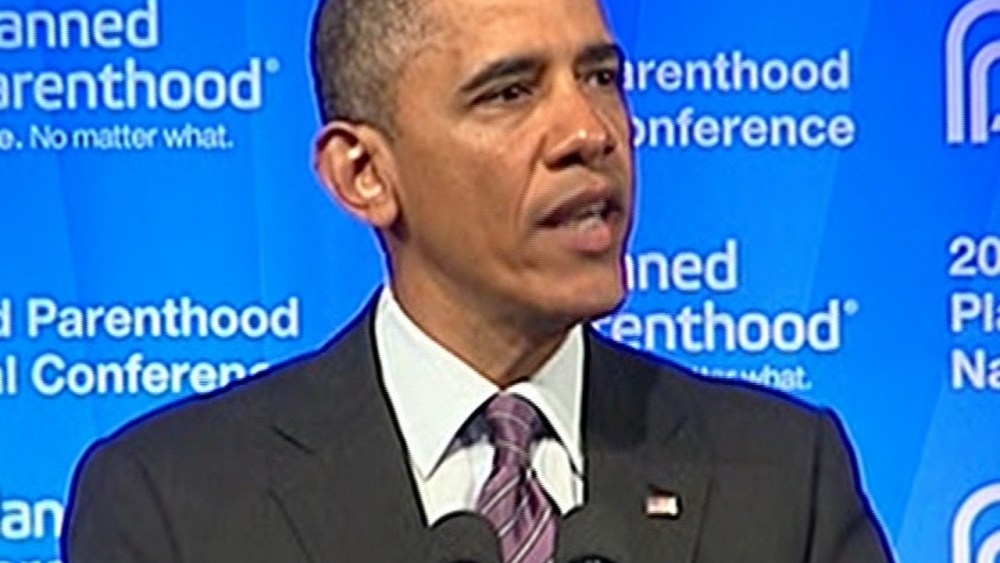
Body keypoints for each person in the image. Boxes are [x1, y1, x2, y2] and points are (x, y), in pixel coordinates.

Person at [63, 0, 894, 561]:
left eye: (601, 77)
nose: (588, 131)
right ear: (363, 174)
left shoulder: (785, 476)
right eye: (510, 92)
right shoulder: (171, 504)